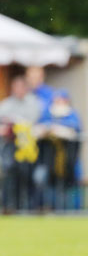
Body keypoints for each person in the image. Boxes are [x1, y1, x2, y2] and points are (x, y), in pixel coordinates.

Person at [0, 75, 42, 212]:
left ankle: (28, 207)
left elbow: (34, 121)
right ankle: (9, 206)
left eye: (21, 87)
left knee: (27, 175)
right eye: (16, 87)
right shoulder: (6, 105)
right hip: (10, 145)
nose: (19, 90)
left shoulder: (33, 103)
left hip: (27, 146)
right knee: (10, 173)